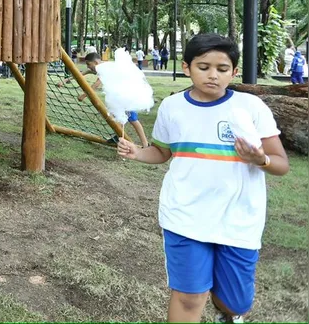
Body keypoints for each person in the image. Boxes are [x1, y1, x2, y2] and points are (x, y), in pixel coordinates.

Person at [117, 33, 290, 323]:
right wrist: (137, 152)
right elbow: (162, 152)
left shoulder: (250, 107)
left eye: (222, 69)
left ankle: (229, 313)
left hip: (238, 220)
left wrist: (261, 159)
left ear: (234, 72)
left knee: (236, 302)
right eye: (203, 67)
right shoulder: (173, 107)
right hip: (184, 215)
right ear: (187, 67)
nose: (213, 76)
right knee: (189, 297)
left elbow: (281, 164)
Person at [70, 52, 150, 148]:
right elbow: (83, 73)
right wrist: (65, 81)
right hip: (119, 95)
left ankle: (145, 144)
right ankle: (118, 135)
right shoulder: (101, 66)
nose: (88, 66)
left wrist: (83, 95)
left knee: (133, 119)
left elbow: (97, 84)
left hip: (126, 95)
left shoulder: (104, 69)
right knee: (118, 115)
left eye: (88, 64)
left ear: (95, 62)